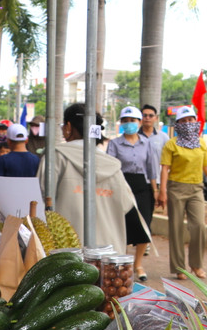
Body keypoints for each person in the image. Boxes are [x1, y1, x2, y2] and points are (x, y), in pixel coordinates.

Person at [38, 103, 148, 251]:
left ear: (69, 126)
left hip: (65, 251)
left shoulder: (55, 157)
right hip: (108, 252)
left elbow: (40, 196)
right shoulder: (114, 167)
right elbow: (128, 206)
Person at [156, 105, 207, 281]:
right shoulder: (171, 144)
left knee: (199, 226)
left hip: (196, 189)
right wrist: (162, 191)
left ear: (196, 121)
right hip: (176, 188)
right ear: (177, 124)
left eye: (190, 120)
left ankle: (196, 265)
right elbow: (165, 169)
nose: (187, 123)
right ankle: (179, 268)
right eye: (183, 121)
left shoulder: (201, 143)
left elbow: (206, 166)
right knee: (176, 229)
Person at [106, 106, 160, 282]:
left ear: (139, 122)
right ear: (121, 123)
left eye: (133, 120)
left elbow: (152, 170)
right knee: (122, 225)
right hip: (121, 185)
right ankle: (122, 262)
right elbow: (111, 167)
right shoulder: (114, 144)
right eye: (126, 121)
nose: (129, 123)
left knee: (144, 226)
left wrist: (156, 191)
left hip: (142, 187)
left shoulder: (147, 144)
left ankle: (138, 264)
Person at [140, 104, 168, 169]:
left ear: (156, 118)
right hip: (138, 176)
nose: (147, 118)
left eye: (151, 116)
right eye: (144, 115)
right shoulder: (134, 136)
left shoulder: (163, 137)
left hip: (158, 176)